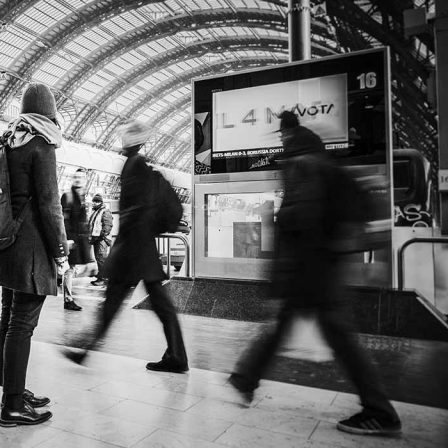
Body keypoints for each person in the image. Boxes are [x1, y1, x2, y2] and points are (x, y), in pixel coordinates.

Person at [228, 111, 402, 436]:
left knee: (336, 336)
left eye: (281, 136)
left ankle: (380, 411)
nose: (279, 142)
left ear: (289, 137)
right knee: (297, 328)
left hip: (312, 269)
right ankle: (245, 378)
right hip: (323, 266)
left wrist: (280, 279)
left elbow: (298, 224)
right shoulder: (321, 162)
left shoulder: (302, 166)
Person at [63, 120, 188, 374]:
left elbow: (137, 209)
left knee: (115, 303)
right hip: (139, 247)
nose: (123, 140)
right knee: (157, 304)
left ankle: (84, 349)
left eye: (127, 137)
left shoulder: (135, 165)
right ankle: (176, 356)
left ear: (132, 141)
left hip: (133, 248)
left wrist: (125, 244)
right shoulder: (136, 164)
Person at [0, 83, 69, 427]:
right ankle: (13, 406)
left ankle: (13, 391)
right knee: (22, 324)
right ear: (50, 112)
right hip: (30, 250)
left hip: (3, 244)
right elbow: (50, 205)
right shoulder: (42, 144)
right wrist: (61, 252)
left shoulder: (8, 140)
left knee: (9, 318)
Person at [60, 168, 93, 311]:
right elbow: (64, 219)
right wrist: (67, 238)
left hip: (77, 240)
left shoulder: (81, 197)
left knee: (71, 269)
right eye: (76, 177)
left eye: (81, 177)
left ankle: (69, 296)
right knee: (68, 269)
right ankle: (68, 299)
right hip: (70, 240)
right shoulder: (68, 196)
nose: (78, 179)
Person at [88, 193, 112, 287]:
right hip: (97, 239)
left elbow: (107, 226)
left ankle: (103, 279)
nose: (93, 203)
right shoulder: (96, 211)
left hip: (102, 239)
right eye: (93, 201)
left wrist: (101, 236)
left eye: (96, 201)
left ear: (100, 202)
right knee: (99, 259)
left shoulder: (105, 211)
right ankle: (101, 276)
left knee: (101, 259)